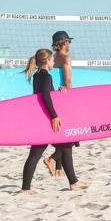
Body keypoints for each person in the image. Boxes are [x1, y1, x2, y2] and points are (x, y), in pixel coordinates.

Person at [22, 48, 88, 194]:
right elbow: (45, 97)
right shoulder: (46, 77)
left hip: (41, 117)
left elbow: (43, 95)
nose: (53, 62)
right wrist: (54, 116)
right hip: (47, 120)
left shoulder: (37, 76)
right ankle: (26, 188)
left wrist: (58, 92)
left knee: (64, 146)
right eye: (52, 60)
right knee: (38, 153)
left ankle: (73, 182)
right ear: (46, 62)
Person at [43, 31, 79, 178]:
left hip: (53, 97)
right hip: (64, 97)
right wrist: (70, 93)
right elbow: (68, 81)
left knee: (61, 133)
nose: (69, 44)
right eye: (68, 41)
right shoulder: (66, 58)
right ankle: (51, 159)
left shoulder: (52, 58)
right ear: (64, 43)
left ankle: (58, 170)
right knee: (71, 135)